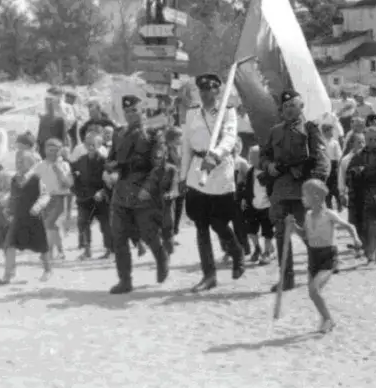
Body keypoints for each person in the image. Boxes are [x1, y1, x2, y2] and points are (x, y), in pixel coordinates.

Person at [179, 73, 246, 292]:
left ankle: (236, 251)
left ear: (218, 91)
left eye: (210, 90)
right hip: (198, 172)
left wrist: (215, 154)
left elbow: (229, 138)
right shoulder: (192, 114)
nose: (206, 94)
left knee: (218, 222)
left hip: (219, 171)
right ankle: (209, 275)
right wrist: (182, 176)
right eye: (202, 90)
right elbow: (187, 146)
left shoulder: (227, 112)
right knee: (201, 225)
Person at [261, 89, 330, 291]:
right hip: (281, 190)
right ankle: (286, 278)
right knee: (282, 235)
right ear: (281, 111)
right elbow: (265, 156)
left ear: (301, 107)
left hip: (304, 191)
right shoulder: (275, 132)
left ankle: (317, 270)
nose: (290, 110)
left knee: (310, 232)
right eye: (285, 107)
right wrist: (269, 166)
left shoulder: (310, 130)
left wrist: (315, 186)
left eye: (293, 106)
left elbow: (322, 160)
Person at [105, 95, 169, 294]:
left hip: (142, 191)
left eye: (135, 110)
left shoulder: (153, 134)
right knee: (119, 236)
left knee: (148, 235)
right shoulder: (118, 133)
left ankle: (161, 257)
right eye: (128, 111)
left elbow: (158, 167)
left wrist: (147, 190)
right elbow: (110, 160)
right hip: (122, 190)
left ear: (143, 112)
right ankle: (125, 280)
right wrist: (111, 167)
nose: (132, 114)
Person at [286, 179, 361, 335]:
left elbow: (349, 226)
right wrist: (293, 228)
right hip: (313, 256)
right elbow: (305, 236)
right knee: (313, 293)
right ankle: (325, 318)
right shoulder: (307, 215)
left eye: (304, 195)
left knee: (314, 290)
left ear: (316, 197)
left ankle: (328, 319)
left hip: (328, 257)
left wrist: (355, 238)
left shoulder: (329, 214)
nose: (302, 198)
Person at [0, 151, 52, 284]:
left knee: (41, 245)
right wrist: (8, 207)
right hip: (18, 219)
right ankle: (7, 276)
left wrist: (38, 206)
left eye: (22, 161)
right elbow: (14, 196)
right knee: (9, 244)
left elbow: (46, 195)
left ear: (30, 164)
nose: (18, 163)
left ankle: (48, 270)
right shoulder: (14, 179)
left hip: (34, 219)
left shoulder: (37, 178)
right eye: (17, 161)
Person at [346, 125, 376, 266]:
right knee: (360, 226)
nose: (372, 141)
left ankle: (372, 255)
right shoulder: (358, 156)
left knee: (373, 225)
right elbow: (349, 173)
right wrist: (356, 172)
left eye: (375, 139)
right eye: (369, 139)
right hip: (360, 196)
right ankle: (368, 250)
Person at [71, 133, 110, 260]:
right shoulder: (80, 161)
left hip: (101, 198)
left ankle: (110, 250)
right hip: (84, 198)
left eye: (93, 144)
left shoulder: (105, 161)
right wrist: (76, 191)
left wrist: (103, 192)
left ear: (99, 145)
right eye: (88, 144)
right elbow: (73, 176)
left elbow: (112, 181)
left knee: (105, 225)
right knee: (83, 222)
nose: (90, 146)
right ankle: (87, 250)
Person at [33, 137, 74, 260]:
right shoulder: (40, 166)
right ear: (45, 150)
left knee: (48, 224)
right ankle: (60, 251)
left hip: (59, 198)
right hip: (44, 199)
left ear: (60, 151)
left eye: (56, 150)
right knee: (52, 226)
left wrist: (59, 171)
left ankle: (49, 251)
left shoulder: (64, 165)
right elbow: (33, 182)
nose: (53, 153)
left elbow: (68, 184)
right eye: (50, 150)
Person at [240, 145, 274, 266]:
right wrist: (244, 198)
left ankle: (267, 253)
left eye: (253, 156)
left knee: (267, 231)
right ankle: (257, 248)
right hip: (253, 205)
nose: (250, 159)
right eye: (250, 156)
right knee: (251, 230)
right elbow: (246, 186)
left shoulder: (269, 171)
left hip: (267, 206)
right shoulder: (250, 172)